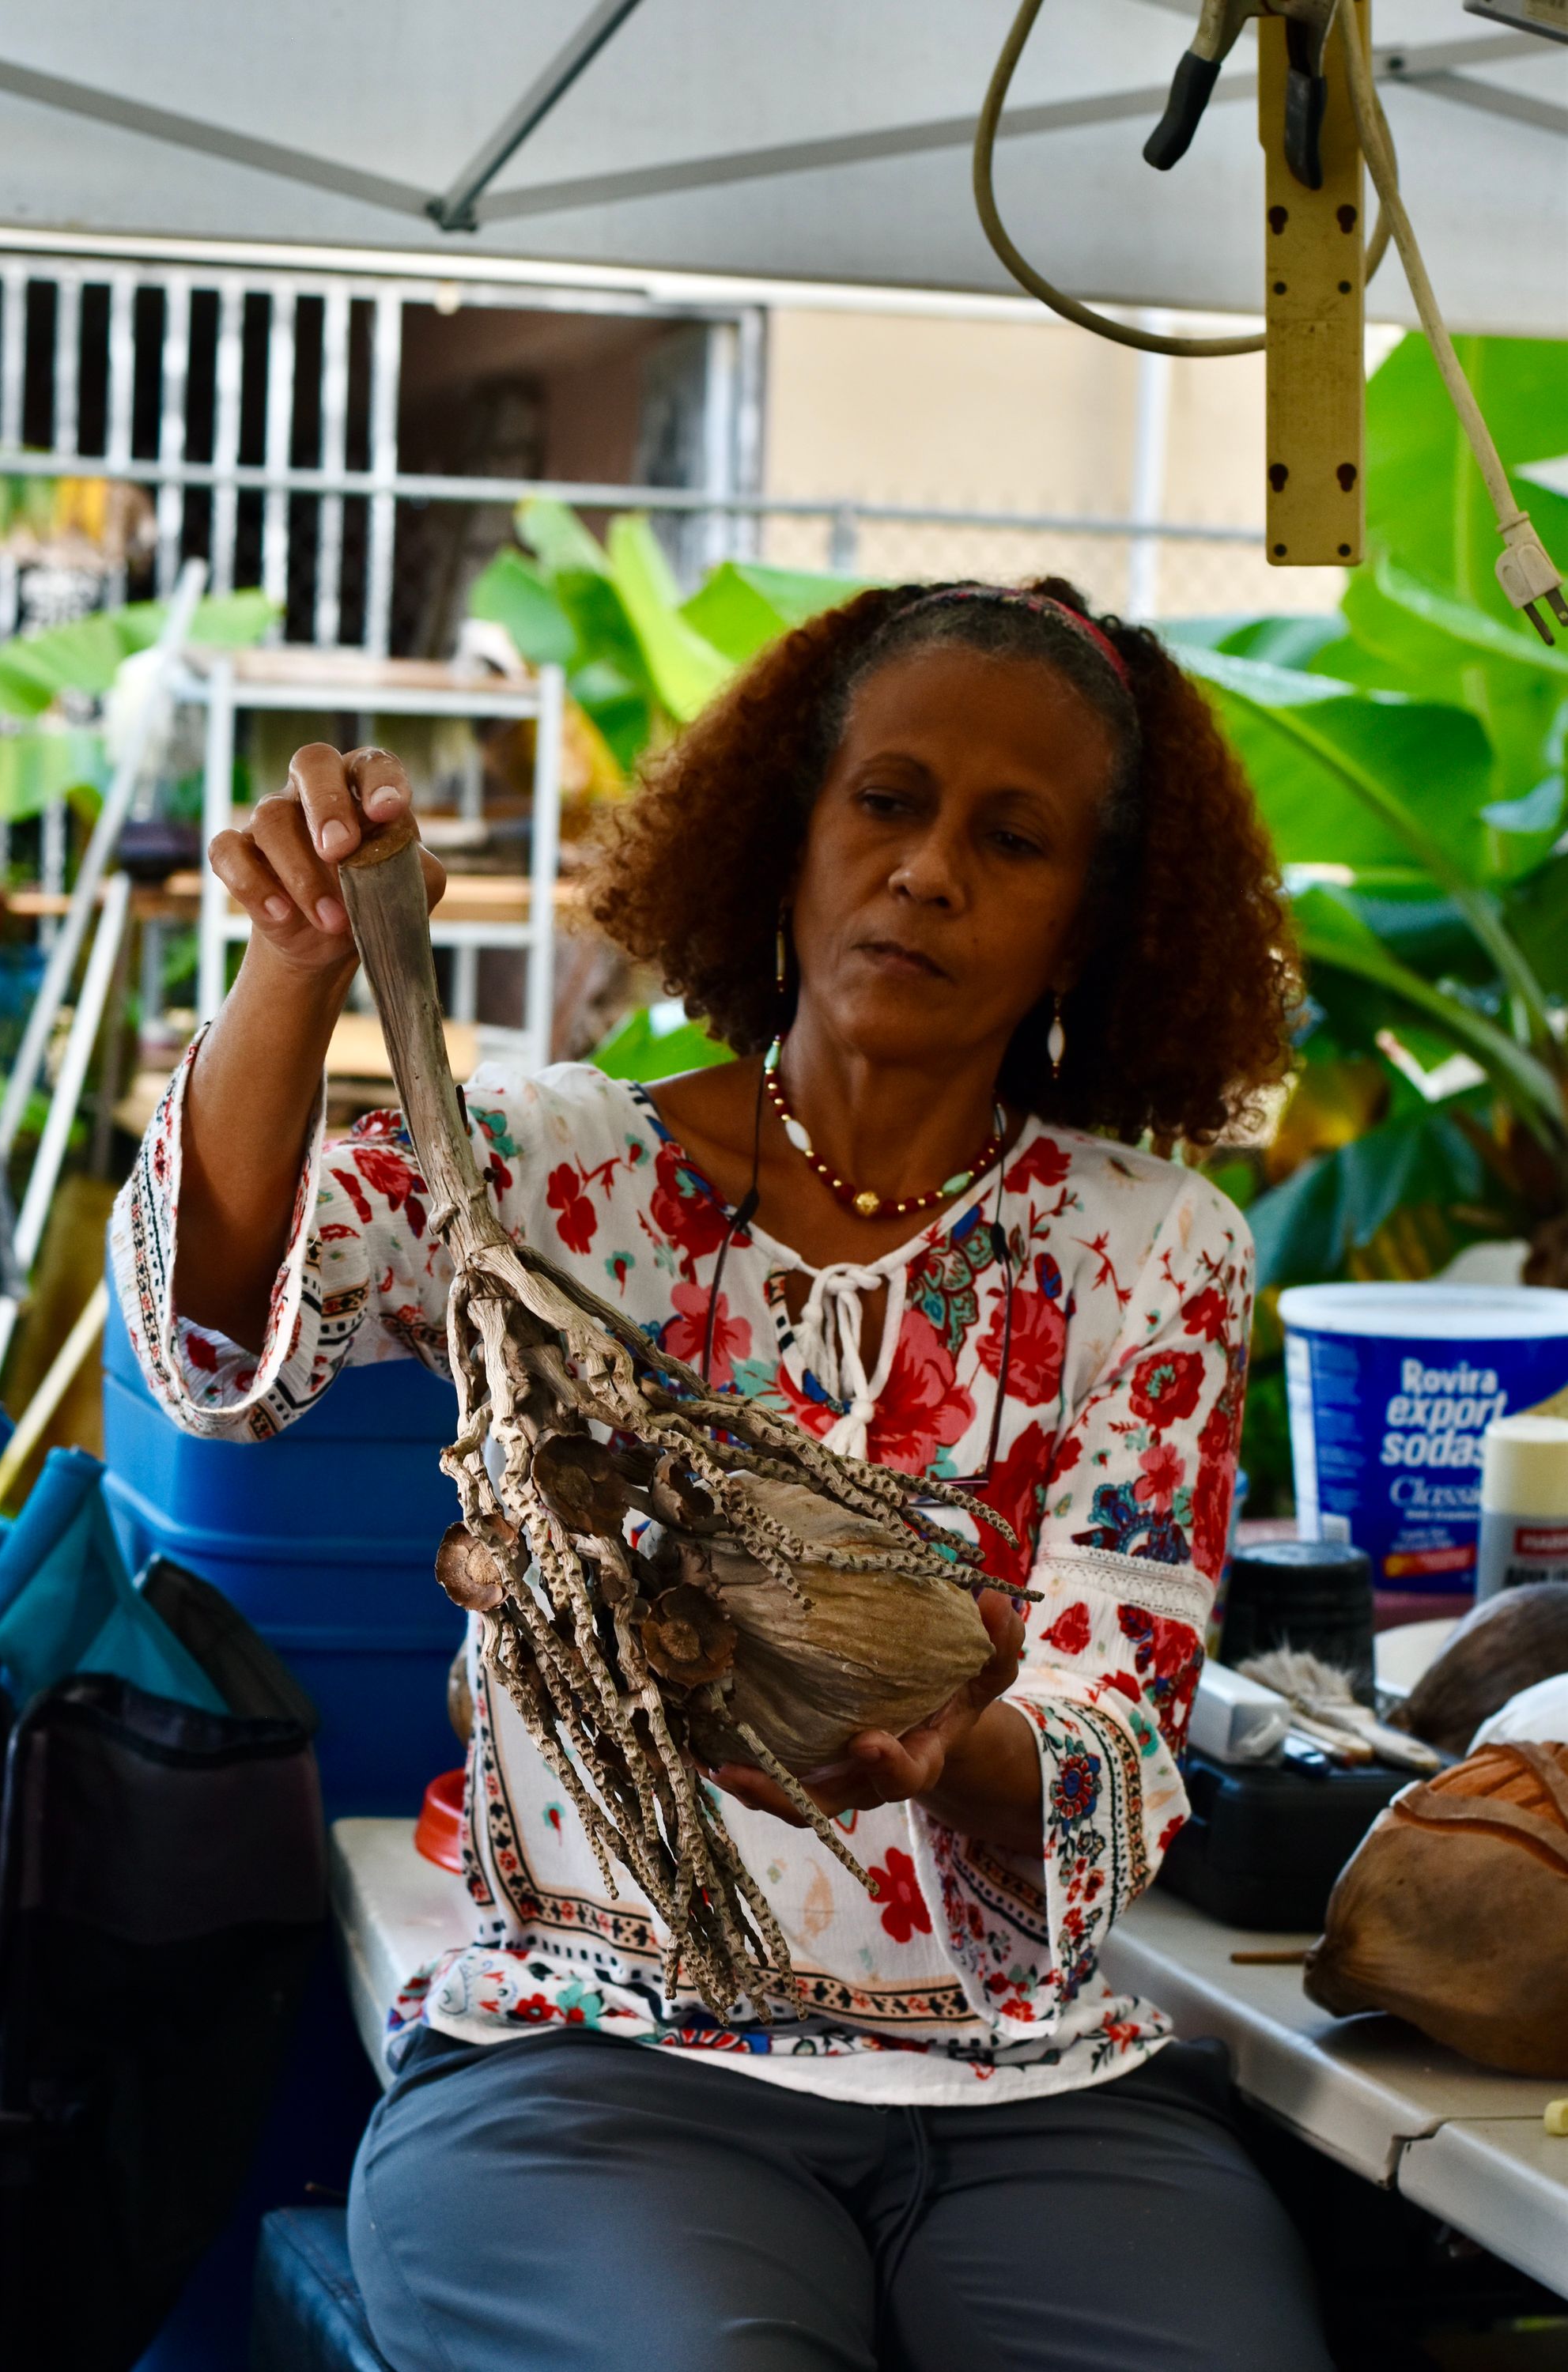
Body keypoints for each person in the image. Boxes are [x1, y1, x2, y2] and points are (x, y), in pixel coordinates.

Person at [112, 577, 1331, 2372]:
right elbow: (217, 1350)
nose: (927, 871)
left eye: (1013, 839)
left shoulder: (1156, 1251)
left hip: (1031, 2098)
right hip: (594, 2066)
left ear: (1088, 927)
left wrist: (957, 1748)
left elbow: (1118, 1729)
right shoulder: (554, 1173)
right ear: (789, 835)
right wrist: (292, 965)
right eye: (887, 803)